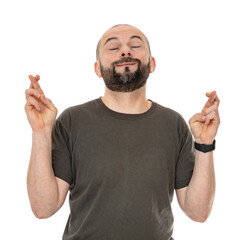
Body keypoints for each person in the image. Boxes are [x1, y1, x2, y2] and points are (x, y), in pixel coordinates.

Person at [25, 24, 220, 240]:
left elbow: (198, 212)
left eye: (135, 45)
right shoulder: (72, 121)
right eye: (113, 47)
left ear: (152, 64)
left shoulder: (173, 123)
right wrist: (41, 132)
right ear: (97, 69)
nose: (126, 51)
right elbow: (44, 208)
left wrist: (205, 144)